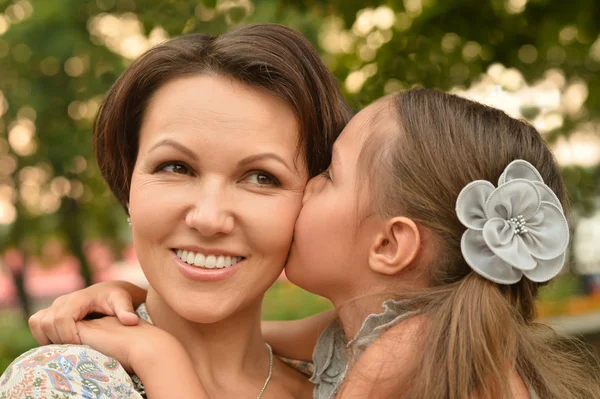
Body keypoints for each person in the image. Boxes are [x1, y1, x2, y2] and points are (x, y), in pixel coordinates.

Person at [27, 89, 600, 398]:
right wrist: (134, 298)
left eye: (326, 175)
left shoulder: (404, 353)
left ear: (390, 246)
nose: (306, 192)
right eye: (175, 166)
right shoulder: (367, 331)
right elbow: (248, 340)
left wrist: (155, 353)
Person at [0, 23, 352, 399]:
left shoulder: (356, 380)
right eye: (176, 167)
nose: (209, 218)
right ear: (128, 185)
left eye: (261, 177)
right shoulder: (63, 382)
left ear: (310, 201)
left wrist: (159, 354)